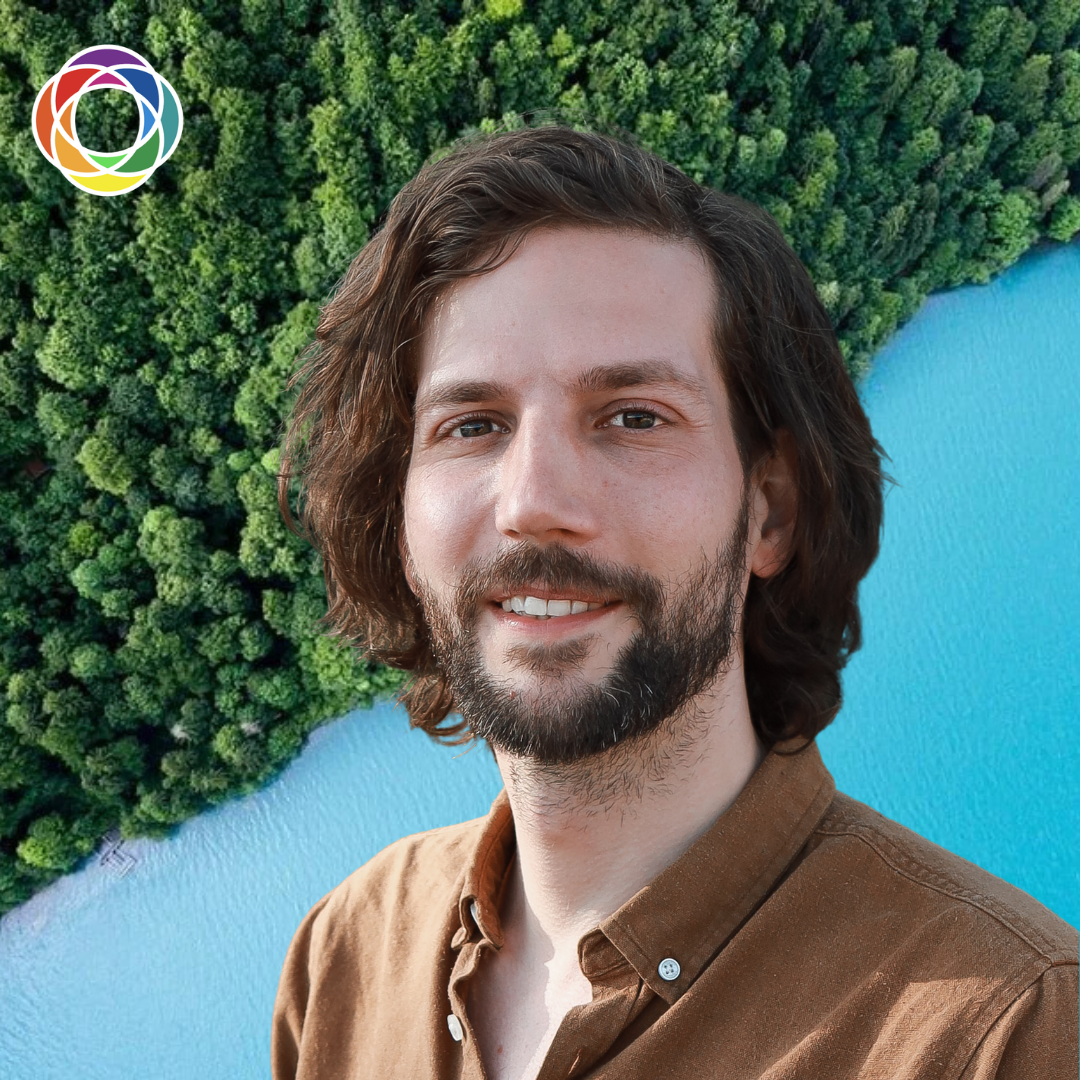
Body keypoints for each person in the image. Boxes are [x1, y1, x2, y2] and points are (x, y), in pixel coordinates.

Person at [270, 121, 1078, 1079]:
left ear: (769, 512)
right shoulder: (347, 957)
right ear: (402, 526)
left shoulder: (1005, 1028)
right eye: (472, 424)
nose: (533, 504)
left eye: (632, 418)